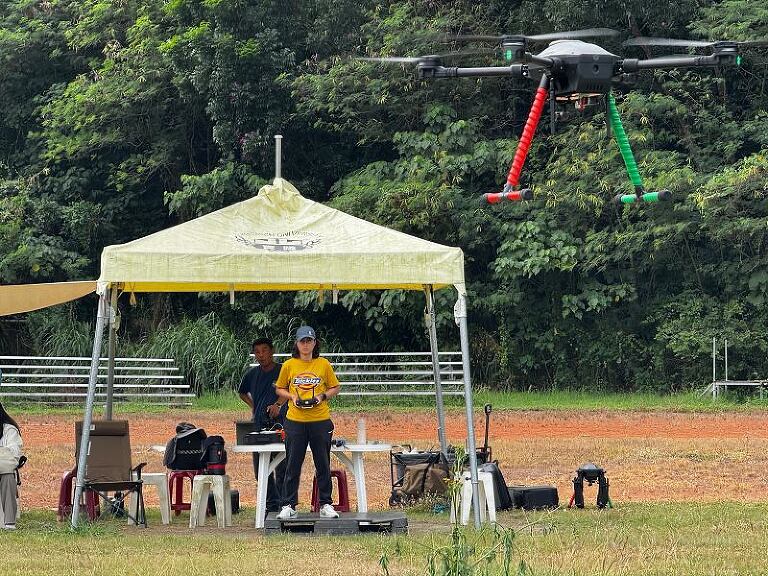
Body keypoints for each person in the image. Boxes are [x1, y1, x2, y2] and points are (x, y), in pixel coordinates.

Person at [275, 325, 341, 519]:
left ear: (314, 343)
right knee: (293, 463)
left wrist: (322, 396)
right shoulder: (289, 365)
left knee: (322, 462)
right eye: (302, 341)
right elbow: (279, 388)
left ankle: (326, 503)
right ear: (296, 343)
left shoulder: (323, 364)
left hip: (320, 419)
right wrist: (292, 397)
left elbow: (335, 387)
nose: (306, 345)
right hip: (295, 420)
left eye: (309, 341)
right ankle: (288, 504)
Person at [238, 337, 287, 513]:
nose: (261, 355)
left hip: (281, 424)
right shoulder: (252, 375)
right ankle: (270, 504)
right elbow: (242, 392)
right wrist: (254, 406)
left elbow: (291, 390)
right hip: (259, 426)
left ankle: (285, 505)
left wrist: (278, 405)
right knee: (261, 469)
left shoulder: (283, 370)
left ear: (272, 351)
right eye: (257, 352)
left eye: (264, 350)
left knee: (282, 466)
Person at [0, 401, 23, 530]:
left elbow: (13, 456)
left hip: (2, 470)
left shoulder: (9, 430)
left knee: (8, 476)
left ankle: (9, 522)